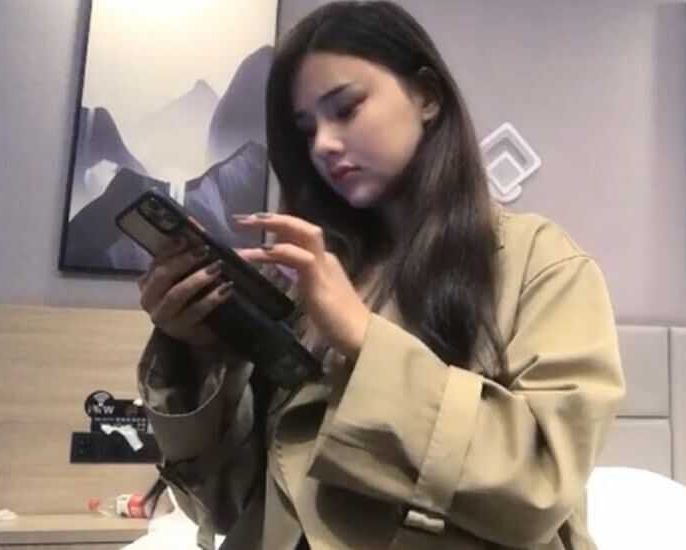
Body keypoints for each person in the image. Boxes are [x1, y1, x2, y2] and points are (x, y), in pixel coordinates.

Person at [135, 2, 625, 548]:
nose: (322, 144)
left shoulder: (541, 263)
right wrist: (195, 354)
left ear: (427, 96)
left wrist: (364, 339)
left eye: (345, 109)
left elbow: (541, 485)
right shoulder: (300, 282)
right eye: (306, 130)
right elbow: (228, 507)